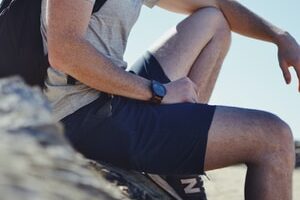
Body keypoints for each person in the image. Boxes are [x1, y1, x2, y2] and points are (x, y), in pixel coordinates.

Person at [41, 0, 299, 199]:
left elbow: (216, 3)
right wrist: (157, 91)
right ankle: (174, 160)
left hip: (106, 97)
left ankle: (177, 170)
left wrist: (278, 36)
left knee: (213, 21)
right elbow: (64, 49)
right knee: (273, 139)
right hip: (77, 115)